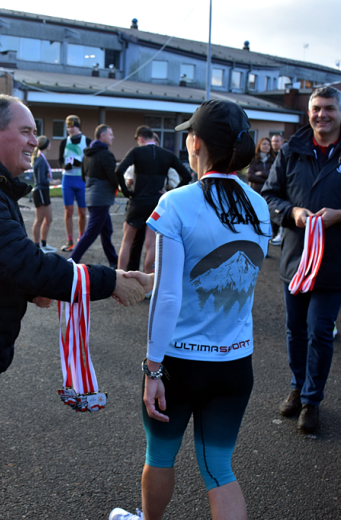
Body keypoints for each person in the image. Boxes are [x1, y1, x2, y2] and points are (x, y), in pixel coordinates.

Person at [0, 94, 150, 520]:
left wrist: (32, 289)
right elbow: (20, 261)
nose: (36, 141)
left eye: (36, 132)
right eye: (26, 131)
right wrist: (110, 282)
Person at [110, 100, 270, 520]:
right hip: (235, 362)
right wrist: (149, 280)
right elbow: (216, 276)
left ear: (195, 142)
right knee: (219, 469)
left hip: (180, 362)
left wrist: (152, 367)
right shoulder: (259, 206)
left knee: (159, 458)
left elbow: (169, 297)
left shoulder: (177, 202)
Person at [262, 86, 341, 433]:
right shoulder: (291, 150)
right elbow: (269, 196)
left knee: (320, 331)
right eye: (316, 108)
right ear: (309, 113)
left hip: (335, 260)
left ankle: (312, 400)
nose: (322, 115)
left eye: (329, 109)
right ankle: (297, 386)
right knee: (295, 330)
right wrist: (293, 213)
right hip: (296, 260)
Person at [115, 126, 191, 274]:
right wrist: (170, 193)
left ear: (141, 139)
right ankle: (148, 285)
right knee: (152, 245)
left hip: (137, 201)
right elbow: (186, 176)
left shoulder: (137, 151)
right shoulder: (166, 155)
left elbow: (119, 170)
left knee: (127, 242)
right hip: (156, 203)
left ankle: (119, 278)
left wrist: (127, 192)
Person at [69, 124, 119, 266]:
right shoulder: (106, 154)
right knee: (91, 233)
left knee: (106, 230)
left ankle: (113, 260)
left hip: (91, 196)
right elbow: (113, 177)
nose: (113, 137)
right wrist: (123, 187)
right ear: (102, 136)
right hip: (101, 199)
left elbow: (84, 177)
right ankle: (72, 260)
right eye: (111, 134)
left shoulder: (87, 154)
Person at [58, 115, 90, 252]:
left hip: (81, 180)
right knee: (68, 211)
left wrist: (80, 164)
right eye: (68, 127)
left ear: (78, 126)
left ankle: (81, 239)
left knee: (82, 211)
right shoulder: (64, 142)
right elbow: (60, 159)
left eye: (72, 126)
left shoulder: (86, 141)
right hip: (68, 179)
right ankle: (69, 240)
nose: (70, 129)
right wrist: (65, 166)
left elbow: (90, 161)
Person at [247, 137, 281, 247]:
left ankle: (264, 245)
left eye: (268, 144)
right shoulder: (254, 160)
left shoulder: (274, 160)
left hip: (268, 195)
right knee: (254, 220)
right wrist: (265, 178)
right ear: (260, 146)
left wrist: (260, 173)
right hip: (255, 193)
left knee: (266, 221)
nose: (266, 146)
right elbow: (249, 176)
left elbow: (274, 175)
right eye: (264, 144)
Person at [31, 136, 56, 253]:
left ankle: (44, 244)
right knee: (39, 220)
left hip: (44, 191)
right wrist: (53, 182)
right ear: (46, 145)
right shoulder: (40, 160)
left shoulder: (42, 158)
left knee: (49, 218)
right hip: (40, 191)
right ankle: (37, 246)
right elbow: (41, 180)